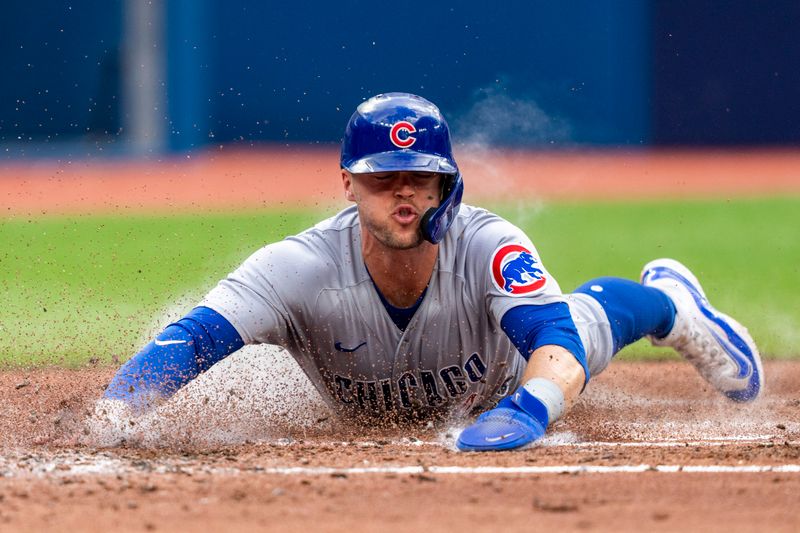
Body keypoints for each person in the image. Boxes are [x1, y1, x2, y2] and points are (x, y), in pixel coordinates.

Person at [96, 92, 763, 451]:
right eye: (385, 179)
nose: (404, 191)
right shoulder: (296, 268)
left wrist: (531, 406)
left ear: (446, 187)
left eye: (421, 177)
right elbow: (196, 337)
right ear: (349, 186)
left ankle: (675, 304)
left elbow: (555, 343)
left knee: (591, 322)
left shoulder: (487, 244)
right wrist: (112, 412)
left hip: (508, 377)